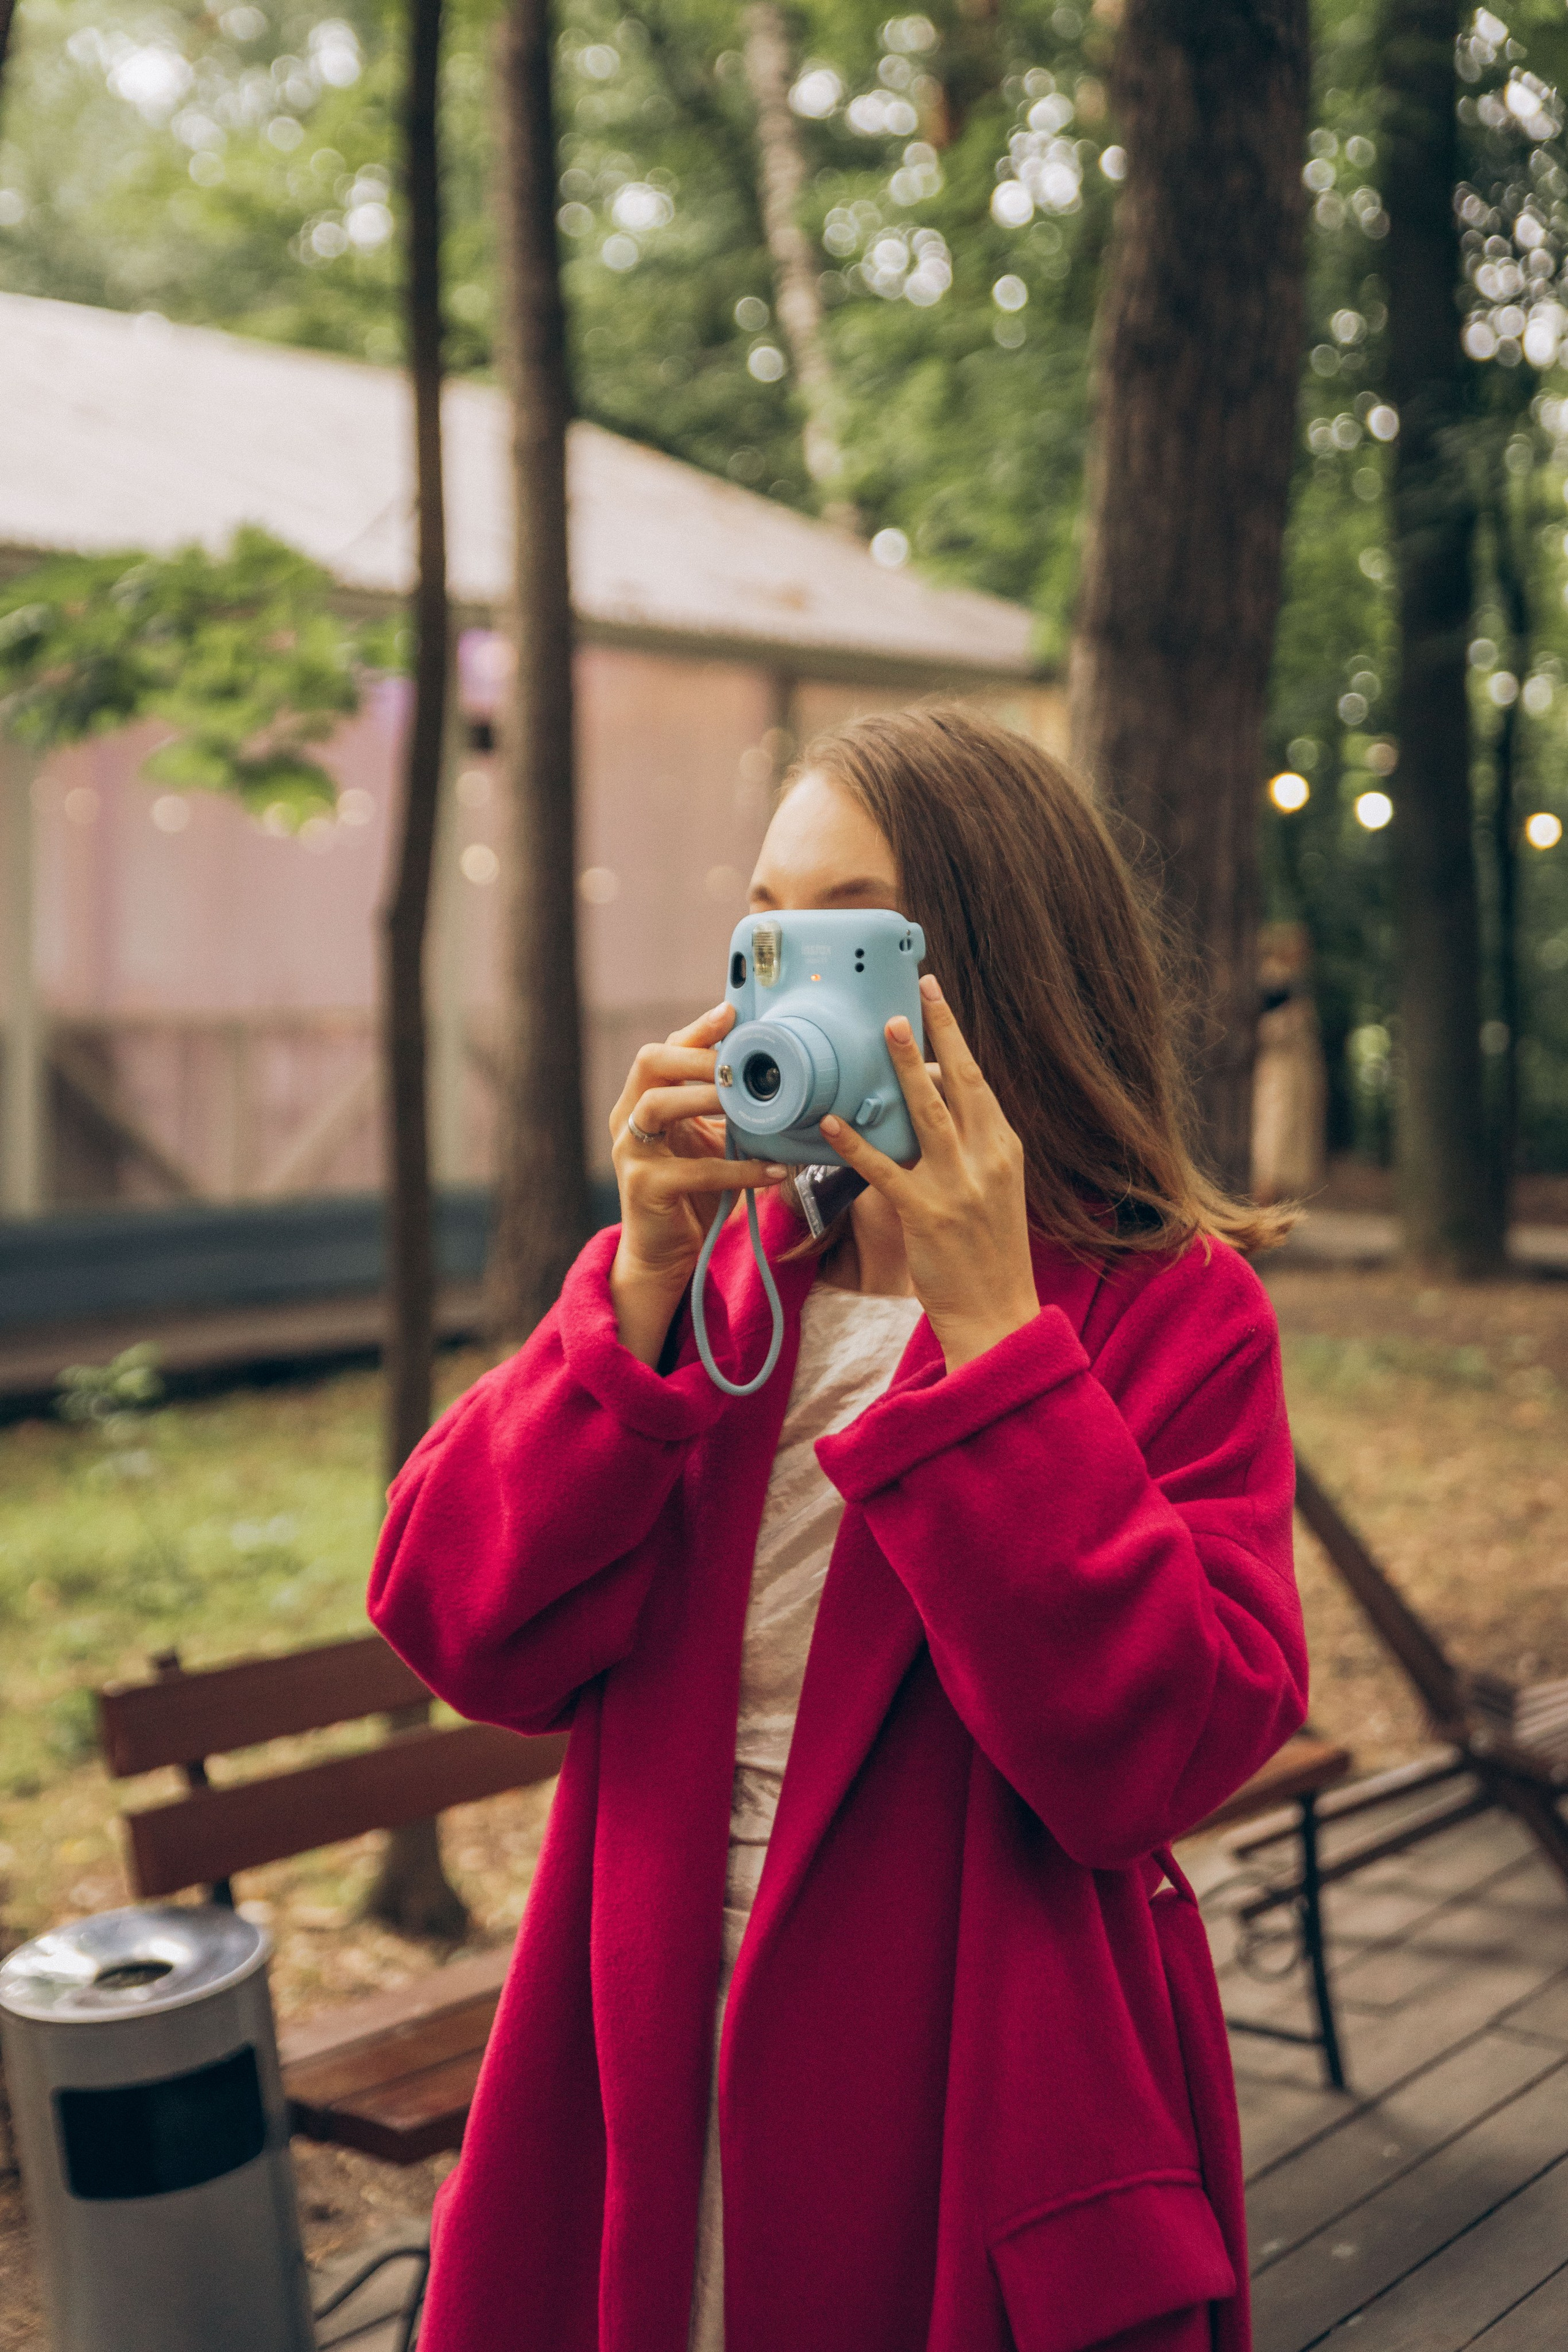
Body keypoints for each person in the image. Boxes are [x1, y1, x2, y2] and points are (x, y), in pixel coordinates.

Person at [369, 705, 1307, 2352]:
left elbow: (1157, 1760)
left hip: (964, 2102)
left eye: (845, 931)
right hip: (638, 2067)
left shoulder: (1172, 1311)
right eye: (761, 931)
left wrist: (1003, 1342)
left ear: (993, 966)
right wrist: (636, 1300)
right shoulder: (735, 1284)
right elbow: (459, 1627)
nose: (783, 984)